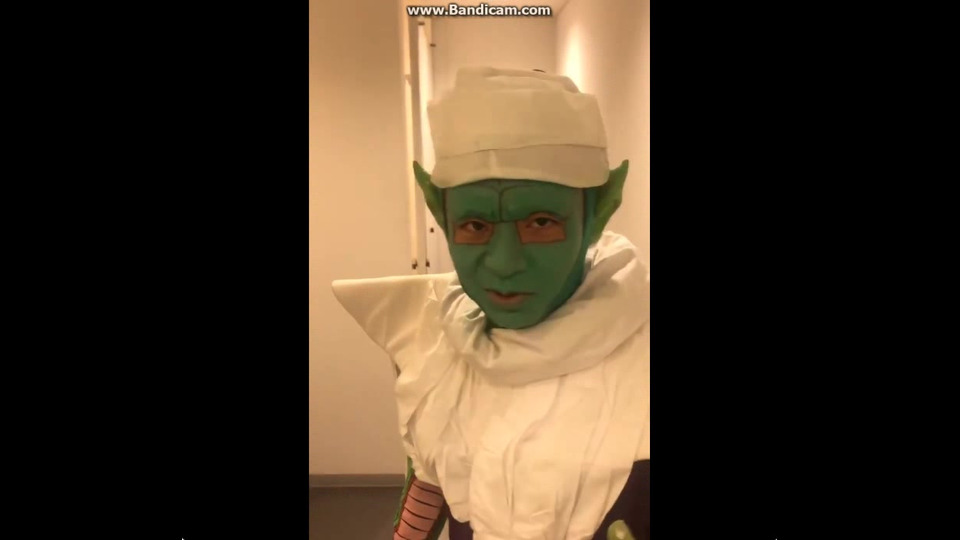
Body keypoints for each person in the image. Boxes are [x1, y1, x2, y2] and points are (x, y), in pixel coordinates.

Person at [333, 66, 649, 540]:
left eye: (540, 222)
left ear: (598, 213)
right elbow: (430, 482)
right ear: (441, 215)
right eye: (476, 226)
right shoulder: (437, 348)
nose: (503, 263)